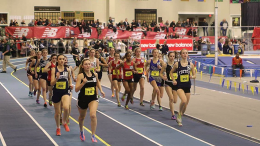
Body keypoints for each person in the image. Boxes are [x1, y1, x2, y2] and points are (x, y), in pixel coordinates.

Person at [75, 59, 105, 142]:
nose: (88, 65)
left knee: (93, 115)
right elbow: (76, 89)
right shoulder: (81, 75)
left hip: (93, 98)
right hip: (83, 99)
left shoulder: (95, 74)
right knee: (82, 117)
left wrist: (101, 90)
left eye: (89, 64)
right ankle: (81, 131)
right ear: (83, 66)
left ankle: (93, 135)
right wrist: (83, 83)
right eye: (86, 64)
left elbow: (97, 82)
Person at [170, 48, 196, 126]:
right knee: (183, 101)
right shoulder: (177, 64)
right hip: (180, 86)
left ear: (188, 55)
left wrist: (192, 76)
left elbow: (195, 75)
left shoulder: (190, 64)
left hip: (187, 86)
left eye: (186, 53)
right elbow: (171, 72)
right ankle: (179, 114)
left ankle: (180, 116)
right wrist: (174, 80)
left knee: (186, 104)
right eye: (183, 53)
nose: (185, 55)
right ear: (181, 55)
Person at [51, 54, 73, 136]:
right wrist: (57, 78)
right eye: (60, 59)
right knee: (57, 113)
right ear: (57, 60)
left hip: (65, 91)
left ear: (65, 60)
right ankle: (58, 128)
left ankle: (64, 122)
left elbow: (70, 79)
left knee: (66, 107)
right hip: (56, 92)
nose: (61, 60)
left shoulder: (68, 69)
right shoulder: (54, 70)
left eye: (63, 59)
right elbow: (52, 83)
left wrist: (71, 85)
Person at [160, 52, 178, 120]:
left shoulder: (176, 64)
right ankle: (173, 115)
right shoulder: (165, 65)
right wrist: (163, 77)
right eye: (171, 56)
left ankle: (172, 107)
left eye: (173, 56)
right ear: (168, 56)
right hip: (168, 83)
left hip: (175, 83)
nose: (172, 57)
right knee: (171, 98)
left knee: (175, 101)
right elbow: (160, 73)